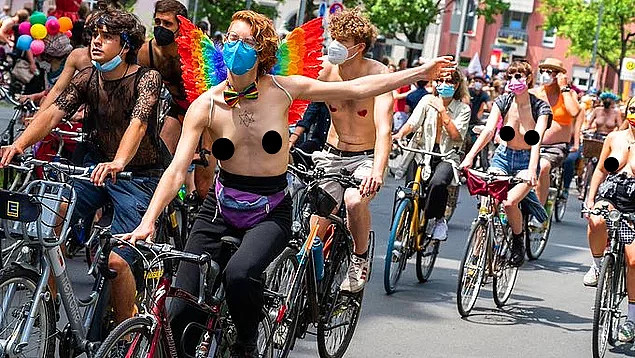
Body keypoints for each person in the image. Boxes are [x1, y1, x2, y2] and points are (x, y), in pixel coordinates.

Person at [125, 9, 453, 357]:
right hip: (219, 206)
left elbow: (358, 86)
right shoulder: (206, 104)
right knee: (180, 307)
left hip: (269, 209)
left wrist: (420, 71)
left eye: (247, 41)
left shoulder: (282, 89)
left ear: (262, 50)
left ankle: (246, 344)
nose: (237, 47)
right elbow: (176, 170)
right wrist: (147, 221)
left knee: (240, 274)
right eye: (231, 39)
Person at [0, 8, 162, 326]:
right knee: (47, 228)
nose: (96, 43)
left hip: (137, 177)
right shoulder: (88, 77)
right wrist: (18, 145)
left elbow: (139, 123)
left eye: (107, 37)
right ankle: (47, 305)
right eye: (94, 36)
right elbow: (53, 113)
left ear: (126, 45)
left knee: (115, 262)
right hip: (93, 169)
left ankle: (126, 327)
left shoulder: (147, 78)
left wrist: (119, 161)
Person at [310, 8, 393, 293]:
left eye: (341, 40)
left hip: (365, 157)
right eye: (333, 38)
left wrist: (378, 172)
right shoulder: (323, 71)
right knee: (312, 232)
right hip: (331, 153)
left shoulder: (378, 75)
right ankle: (308, 290)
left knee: (354, 201)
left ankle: (359, 258)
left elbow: (384, 129)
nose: (333, 45)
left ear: (358, 47)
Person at [459, 61, 552, 267]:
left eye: (518, 77)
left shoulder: (540, 107)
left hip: (526, 161)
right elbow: (489, 130)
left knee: (509, 202)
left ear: (528, 79)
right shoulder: (503, 100)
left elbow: (536, 139)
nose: (513, 81)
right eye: (510, 77)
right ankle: (477, 251)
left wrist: (530, 171)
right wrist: (470, 156)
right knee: (488, 203)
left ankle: (518, 240)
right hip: (502, 157)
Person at [392, 69, 470, 240]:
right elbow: (412, 123)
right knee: (412, 192)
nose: (443, 85)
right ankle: (403, 232)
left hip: (447, 155)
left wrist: (443, 111)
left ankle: (437, 219)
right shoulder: (427, 100)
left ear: (456, 85)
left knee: (438, 183)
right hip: (422, 151)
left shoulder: (463, 108)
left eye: (448, 81)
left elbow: (457, 136)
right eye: (440, 80)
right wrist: (399, 134)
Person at [584, 97, 635, 340]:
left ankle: (632, 319)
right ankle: (596, 266)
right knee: (595, 220)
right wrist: (590, 198)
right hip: (612, 194)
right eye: (633, 110)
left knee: (633, 262)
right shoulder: (614, 137)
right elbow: (601, 170)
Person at [531, 58, 581, 209]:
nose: (545, 74)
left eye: (549, 71)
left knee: (543, 166)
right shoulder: (534, 93)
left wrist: (564, 88)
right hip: (532, 143)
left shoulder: (568, 94)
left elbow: (574, 112)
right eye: (543, 71)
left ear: (559, 75)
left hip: (556, 147)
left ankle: (538, 211)